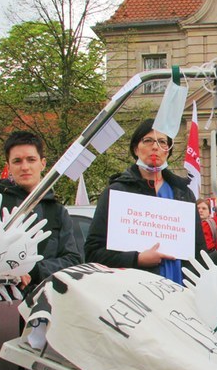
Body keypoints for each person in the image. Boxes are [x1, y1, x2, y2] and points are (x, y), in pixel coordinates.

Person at [0, 131, 82, 370]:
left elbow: (73, 258)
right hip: (0, 310)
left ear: (44, 163)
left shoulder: (56, 211)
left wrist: (35, 269)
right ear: (8, 165)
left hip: (47, 311)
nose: (25, 166)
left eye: (31, 159)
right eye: (17, 161)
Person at [85, 119, 206, 284]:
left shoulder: (183, 194)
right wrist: (137, 259)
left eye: (162, 142)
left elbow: (198, 253)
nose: (155, 146)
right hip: (132, 291)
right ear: (136, 148)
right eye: (148, 140)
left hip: (179, 291)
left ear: (168, 151)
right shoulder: (116, 192)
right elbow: (93, 252)